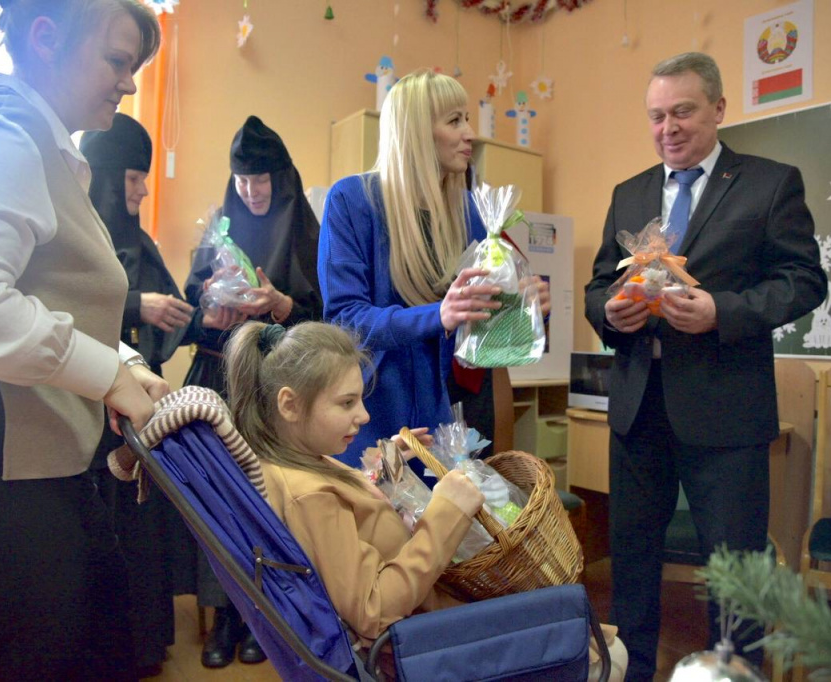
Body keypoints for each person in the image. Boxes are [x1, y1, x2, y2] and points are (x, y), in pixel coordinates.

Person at [0, 2, 165, 680]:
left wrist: (122, 364)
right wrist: (106, 375)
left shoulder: (46, 148)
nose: (128, 83)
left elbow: (46, 296)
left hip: (36, 483)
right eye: (116, 61)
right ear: (46, 38)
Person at [584, 52, 827, 681]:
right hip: (638, 407)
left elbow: (804, 280)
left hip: (726, 412)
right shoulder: (630, 193)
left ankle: (734, 672)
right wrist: (611, 313)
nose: (668, 128)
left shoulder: (770, 183)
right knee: (632, 562)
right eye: (656, 116)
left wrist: (723, 311)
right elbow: (597, 287)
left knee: (735, 571)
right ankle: (631, 671)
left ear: (719, 109)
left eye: (683, 112)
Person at [223, 320, 627, 681]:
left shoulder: (302, 464)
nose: (363, 416)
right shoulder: (309, 495)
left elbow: (353, 523)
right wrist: (447, 513)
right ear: (289, 404)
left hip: (433, 626)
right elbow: (372, 610)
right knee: (608, 652)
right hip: (428, 645)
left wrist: (384, 468)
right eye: (346, 403)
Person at [319, 68, 549, 469]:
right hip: (367, 421)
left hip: (439, 426)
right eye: (455, 120)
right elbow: (345, 321)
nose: (470, 134)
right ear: (417, 133)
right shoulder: (352, 200)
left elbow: (481, 329)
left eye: (467, 119)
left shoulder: (469, 213)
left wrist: (524, 310)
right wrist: (438, 315)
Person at [181, 115, 323, 668]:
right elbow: (191, 310)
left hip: (276, 387)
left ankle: (266, 613)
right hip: (219, 379)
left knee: (269, 502)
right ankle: (225, 615)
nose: (250, 190)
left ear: (281, 179)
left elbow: (324, 319)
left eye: (260, 179)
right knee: (216, 500)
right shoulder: (219, 229)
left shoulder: (307, 231)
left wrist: (280, 305)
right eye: (241, 180)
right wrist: (210, 304)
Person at [80, 112, 194, 677]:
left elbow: (174, 317)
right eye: (133, 178)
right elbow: (67, 308)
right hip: (88, 416)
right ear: (105, 178)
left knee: (141, 529)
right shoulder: (78, 235)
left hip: (137, 411)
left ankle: (145, 643)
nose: (143, 190)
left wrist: (186, 311)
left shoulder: (138, 240)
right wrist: (135, 306)